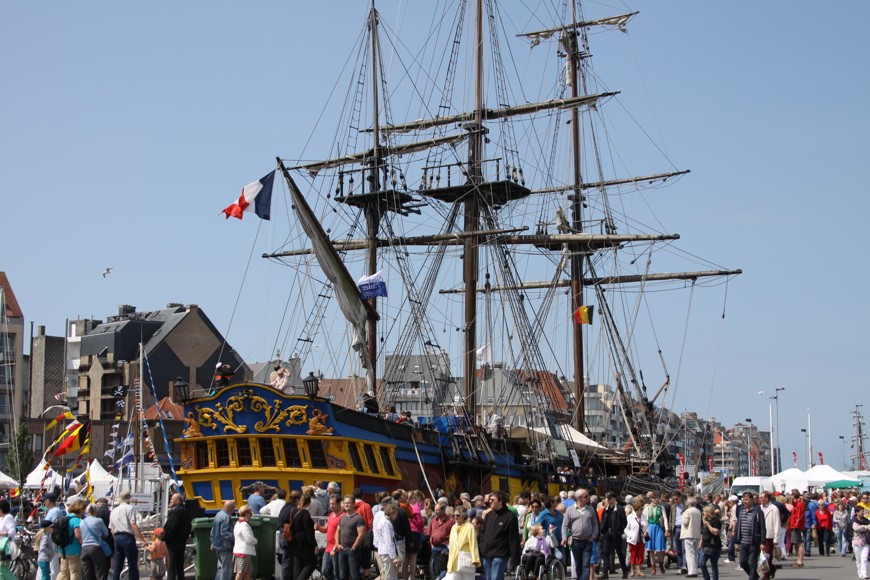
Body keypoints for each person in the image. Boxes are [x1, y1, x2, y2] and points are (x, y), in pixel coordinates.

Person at [480, 490, 520, 580]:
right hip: (486, 553)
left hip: (500, 554)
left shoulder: (510, 517)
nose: (490, 501)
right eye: (490, 500)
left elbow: (513, 539)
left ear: (500, 501)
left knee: (496, 578)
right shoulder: (489, 515)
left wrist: (515, 559)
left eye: (492, 500)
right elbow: (483, 532)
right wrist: (481, 547)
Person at [110, 490, 146, 580]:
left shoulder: (113, 510)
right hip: (127, 537)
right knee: (132, 564)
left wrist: (116, 539)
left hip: (117, 537)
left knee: (118, 565)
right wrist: (142, 540)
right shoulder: (129, 508)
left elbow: (111, 529)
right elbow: (133, 524)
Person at [334, 495, 366, 580]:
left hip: (353, 551)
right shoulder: (342, 517)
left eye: (348, 503)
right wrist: (337, 544)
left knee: (354, 575)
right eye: (345, 503)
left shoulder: (358, 518)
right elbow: (337, 532)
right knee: (342, 575)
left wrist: (354, 547)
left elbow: (361, 534)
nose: (346, 505)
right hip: (342, 549)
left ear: (353, 504)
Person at [734, 493, 766, 580]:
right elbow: (738, 526)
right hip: (743, 541)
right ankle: (755, 576)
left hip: (753, 542)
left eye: (746, 499)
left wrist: (762, 542)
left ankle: (752, 577)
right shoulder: (741, 510)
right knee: (742, 562)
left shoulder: (758, 511)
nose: (745, 501)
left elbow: (762, 527)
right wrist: (737, 541)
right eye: (743, 500)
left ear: (751, 500)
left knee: (752, 564)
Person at [163, 494, 193, 580]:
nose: (170, 501)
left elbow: (171, 527)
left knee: (171, 567)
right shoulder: (185, 510)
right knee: (179, 567)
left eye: (172, 499)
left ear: (178, 501)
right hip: (181, 542)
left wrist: (164, 537)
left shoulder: (177, 511)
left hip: (173, 544)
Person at [599, 492, 628, 579]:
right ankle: (605, 573)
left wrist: (619, 531)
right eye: (607, 498)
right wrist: (603, 531)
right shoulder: (606, 509)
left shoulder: (619, 508)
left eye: (609, 498)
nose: (607, 500)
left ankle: (625, 571)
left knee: (619, 553)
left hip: (616, 534)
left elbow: (624, 521)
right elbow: (603, 521)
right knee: (606, 553)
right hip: (607, 534)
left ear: (614, 498)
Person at [446, 507, 480, 580]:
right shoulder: (453, 528)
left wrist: (475, 559)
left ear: (463, 516)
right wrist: (449, 562)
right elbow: (451, 546)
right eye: (454, 515)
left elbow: (473, 544)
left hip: (465, 561)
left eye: (458, 515)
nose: (455, 517)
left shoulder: (470, 527)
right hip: (454, 561)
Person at [57, 498, 86, 580]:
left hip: (62, 549)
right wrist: (83, 544)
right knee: (75, 572)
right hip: (74, 550)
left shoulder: (65, 518)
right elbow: (78, 535)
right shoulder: (76, 520)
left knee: (63, 572)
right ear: (80, 509)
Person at [291, 494, 318, 580]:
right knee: (311, 564)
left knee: (298, 566)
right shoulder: (305, 513)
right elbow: (308, 531)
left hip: (295, 542)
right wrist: (314, 544)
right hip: (304, 543)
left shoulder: (294, 511)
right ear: (309, 503)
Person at [80, 503, 110, 580]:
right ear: (96, 511)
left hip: (84, 548)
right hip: (95, 547)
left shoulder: (82, 522)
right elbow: (106, 533)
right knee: (99, 571)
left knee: (86, 572)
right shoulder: (99, 521)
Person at [641, 494, 668, 576]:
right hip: (650, 528)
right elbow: (644, 520)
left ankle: (661, 563)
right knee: (651, 549)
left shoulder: (661, 508)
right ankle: (653, 567)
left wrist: (667, 529)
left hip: (658, 527)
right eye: (654, 498)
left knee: (659, 548)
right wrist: (644, 530)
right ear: (651, 499)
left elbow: (665, 518)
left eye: (657, 498)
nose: (656, 499)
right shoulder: (647, 508)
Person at [373, 501, 400, 580]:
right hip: (387, 552)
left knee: (391, 575)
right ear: (393, 512)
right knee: (389, 576)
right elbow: (388, 541)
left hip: (383, 550)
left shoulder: (383, 520)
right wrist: (393, 557)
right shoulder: (386, 523)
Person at [429, 500, 454, 579]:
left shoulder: (450, 521)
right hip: (435, 549)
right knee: (435, 570)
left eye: (437, 510)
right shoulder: (433, 521)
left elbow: (454, 535)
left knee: (444, 569)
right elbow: (431, 534)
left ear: (443, 510)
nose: (435, 512)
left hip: (444, 549)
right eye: (435, 510)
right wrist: (432, 545)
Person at [211, 500, 236, 580]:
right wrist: (236, 537)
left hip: (217, 546)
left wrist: (213, 543)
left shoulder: (218, 515)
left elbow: (213, 531)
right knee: (226, 569)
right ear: (231, 508)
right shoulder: (226, 517)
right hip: (225, 546)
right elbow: (224, 532)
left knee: (220, 568)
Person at [758, 492, 781, 579]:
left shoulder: (773, 508)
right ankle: (771, 568)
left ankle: (766, 575)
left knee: (768, 555)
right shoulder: (759, 508)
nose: (760, 499)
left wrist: (776, 538)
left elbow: (777, 523)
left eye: (761, 497)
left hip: (769, 535)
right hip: (760, 535)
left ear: (767, 499)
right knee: (761, 555)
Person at [233, 505, 257, 580]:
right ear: (246, 513)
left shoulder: (239, 523)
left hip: (243, 552)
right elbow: (248, 539)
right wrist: (256, 540)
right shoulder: (244, 525)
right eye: (250, 513)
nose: (251, 515)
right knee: (241, 572)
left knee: (248, 571)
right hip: (243, 553)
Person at [44, 493, 65, 580]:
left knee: (54, 565)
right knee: (51, 565)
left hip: (53, 540)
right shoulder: (51, 511)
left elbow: (54, 526)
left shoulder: (55, 511)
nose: (44, 502)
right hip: (49, 540)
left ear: (48, 501)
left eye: (45, 500)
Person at [680, 497, 702, 578]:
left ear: (688, 503)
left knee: (689, 553)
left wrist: (682, 516)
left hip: (688, 534)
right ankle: (694, 569)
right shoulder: (698, 511)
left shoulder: (687, 511)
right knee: (695, 553)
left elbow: (685, 522)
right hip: (697, 533)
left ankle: (691, 571)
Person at [698, 504, 721, 580]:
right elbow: (703, 533)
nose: (703, 513)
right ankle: (706, 578)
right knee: (701, 563)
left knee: (713, 565)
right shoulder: (704, 521)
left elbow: (716, 532)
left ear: (708, 513)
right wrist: (700, 543)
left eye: (704, 512)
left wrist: (708, 525)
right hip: (705, 545)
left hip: (714, 545)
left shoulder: (716, 520)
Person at [624, 500, 646, 578]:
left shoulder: (644, 516)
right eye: (641, 509)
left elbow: (647, 526)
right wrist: (631, 535)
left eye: (642, 508)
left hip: (641, 538)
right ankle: (632, 570)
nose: (642, 510)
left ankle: (639, 570)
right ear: (636, 509)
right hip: (633, 539)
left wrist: (646, 532)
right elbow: (626, 529)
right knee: (633, 555)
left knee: (640, 554)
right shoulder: (630, 517)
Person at [787, 490, 806, 568]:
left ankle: (800, 561)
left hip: (796, 526)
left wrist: (796, 524)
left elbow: (800, 515)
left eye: (792, 495)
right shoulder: (795, 504)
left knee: (799, 543)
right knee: (796, 543)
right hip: (793, 525)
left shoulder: (799, 504)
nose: (790, 496)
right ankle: (798, 560)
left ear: (794, 495)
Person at [852, 505, 870, 579]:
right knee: (858, 559)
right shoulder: (854, 520)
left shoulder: (866, 520)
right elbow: (856, 528)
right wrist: (865, 527)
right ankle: (859, 572)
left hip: (866, 542)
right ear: (857, 512)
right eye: (861, 511)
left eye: (863, 511)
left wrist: (865, 527)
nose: (863, 513)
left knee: (864, 558)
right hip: (857, 542)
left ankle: (864, 573)